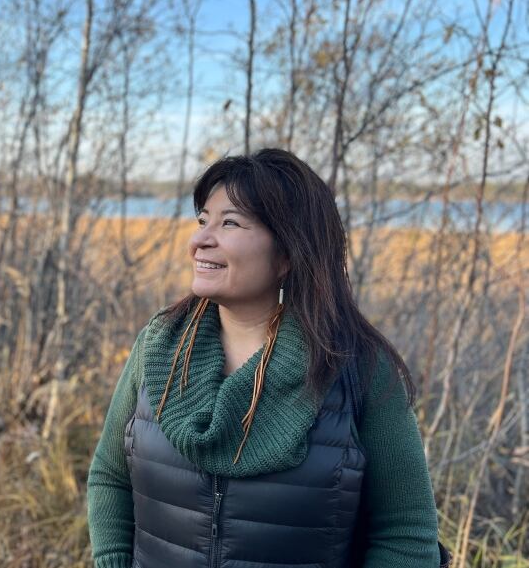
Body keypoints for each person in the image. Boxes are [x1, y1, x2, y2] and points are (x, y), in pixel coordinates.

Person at [86, 148, 447, 568]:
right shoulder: (160, 344)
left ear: (288, 253)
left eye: (230, 223)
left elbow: (406, 534)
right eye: (203, 220)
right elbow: (110, 477)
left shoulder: (357, 367)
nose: (200, 239)